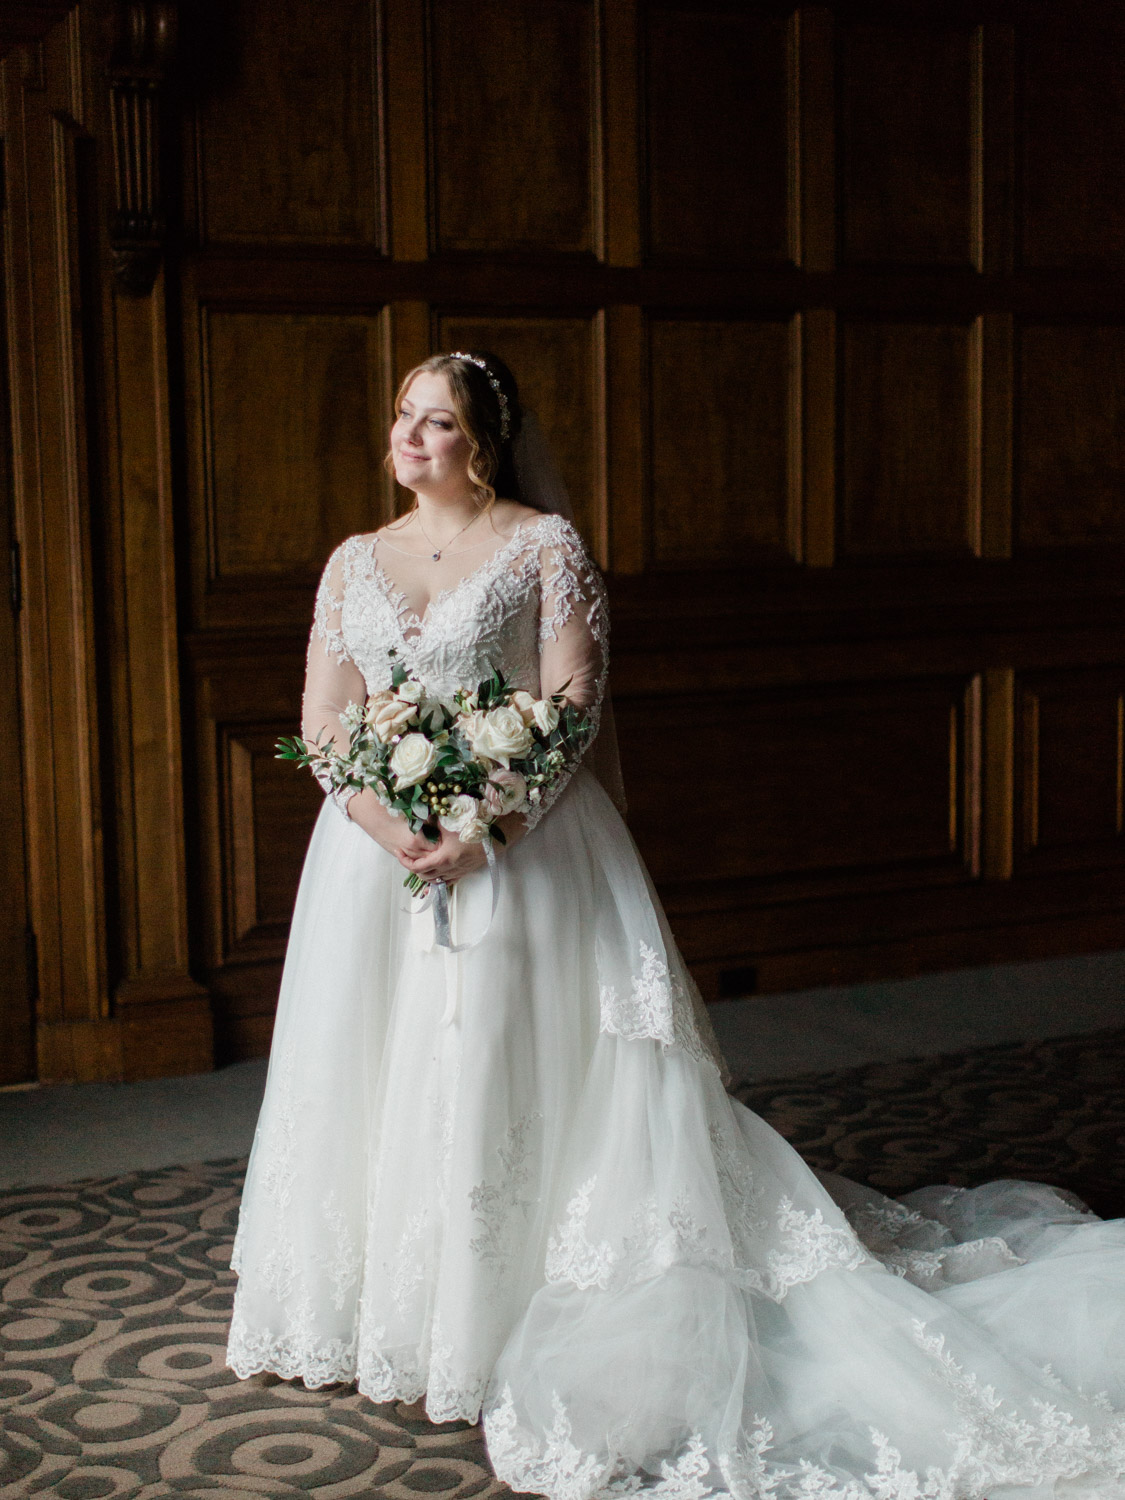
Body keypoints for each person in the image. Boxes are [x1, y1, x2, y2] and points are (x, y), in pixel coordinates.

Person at [227, 351, 1125, 1500]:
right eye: (404, 415)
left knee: (515, 1069)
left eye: (437, 421)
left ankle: (507, 1302)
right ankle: (391, 1310)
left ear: (484, 442)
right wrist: (386, 821)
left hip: (522, 857)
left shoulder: (543, 546)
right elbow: (323, 721)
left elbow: (569, 706)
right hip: (377, 866)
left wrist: (484, 829)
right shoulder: (353, 562)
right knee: (376, 1071)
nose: (410, 436)